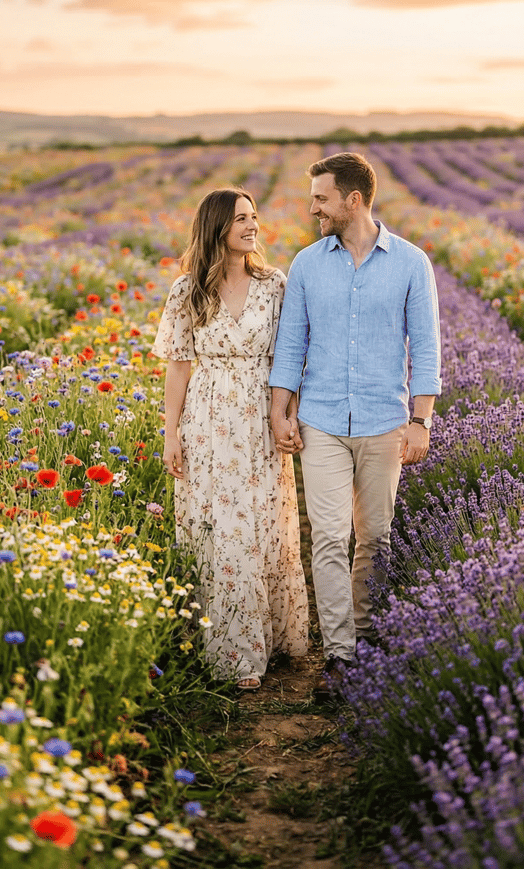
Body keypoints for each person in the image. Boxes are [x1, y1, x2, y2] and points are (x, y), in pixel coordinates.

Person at [268, 152, 441, 699]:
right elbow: (291, 344)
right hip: (320, 419)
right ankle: (340, 655)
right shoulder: (306, 264)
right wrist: (280, 409)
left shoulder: (412, 263)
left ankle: (367, 641)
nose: (312, 206)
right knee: (328, 537)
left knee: (376, 537)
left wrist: (421, 421)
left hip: (384, 421)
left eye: (321, 197)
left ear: (353, 200)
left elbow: (428, 350)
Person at [153, 187, 309, 691]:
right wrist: (170, 432)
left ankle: (273, 637)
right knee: (218, 530)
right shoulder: (187, 290)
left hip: (259, 416)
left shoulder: (274, 284)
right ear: (217, 226)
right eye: (241, 218)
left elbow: (291, 359)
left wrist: (287, 413)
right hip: (208, 418)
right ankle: (232, 651)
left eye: (254, 217)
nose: (252, 226)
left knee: (262, 523)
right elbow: (179, 367)